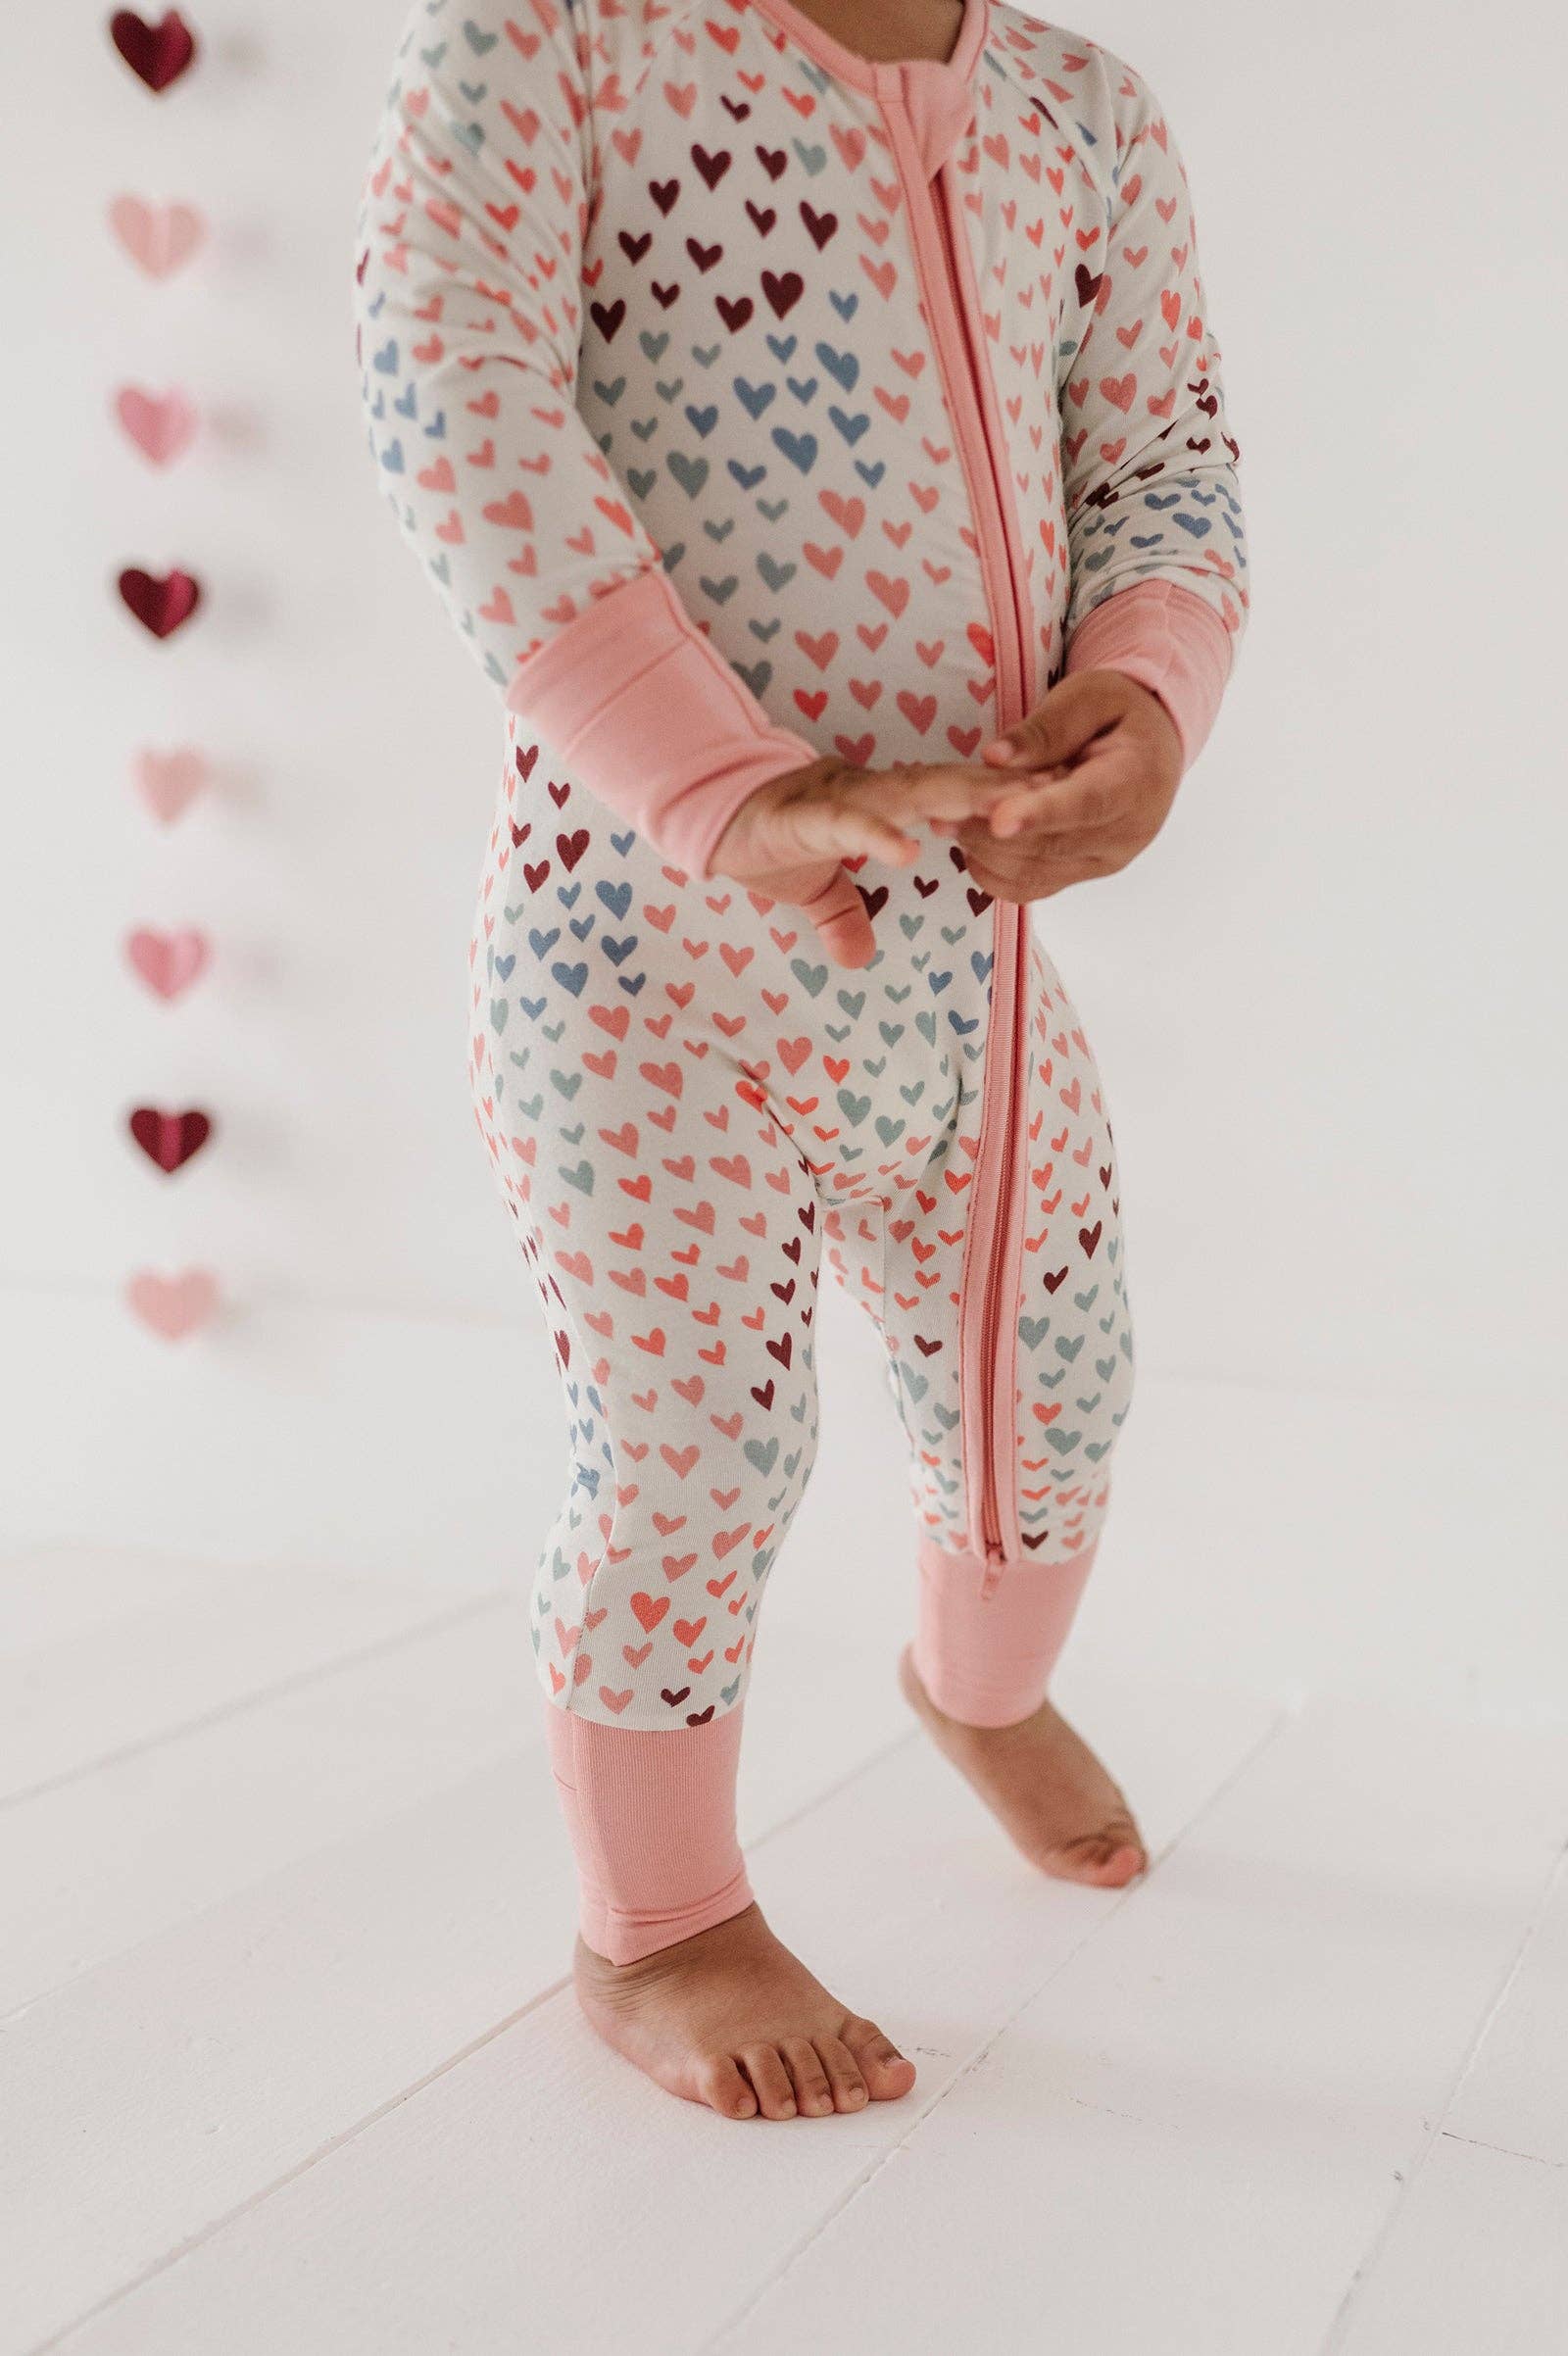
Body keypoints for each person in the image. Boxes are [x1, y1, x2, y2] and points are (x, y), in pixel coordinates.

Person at [352, 0, 1249, 2123]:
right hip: (642, 967)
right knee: (700, 1447)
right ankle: (657, 1921)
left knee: (1056, 1389)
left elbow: (1162, 463)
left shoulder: (1080, 117)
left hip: (976, 972)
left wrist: (1149, 696)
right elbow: (455, 396)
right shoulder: (553, 43)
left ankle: (976, 1688)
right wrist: (723, 782)